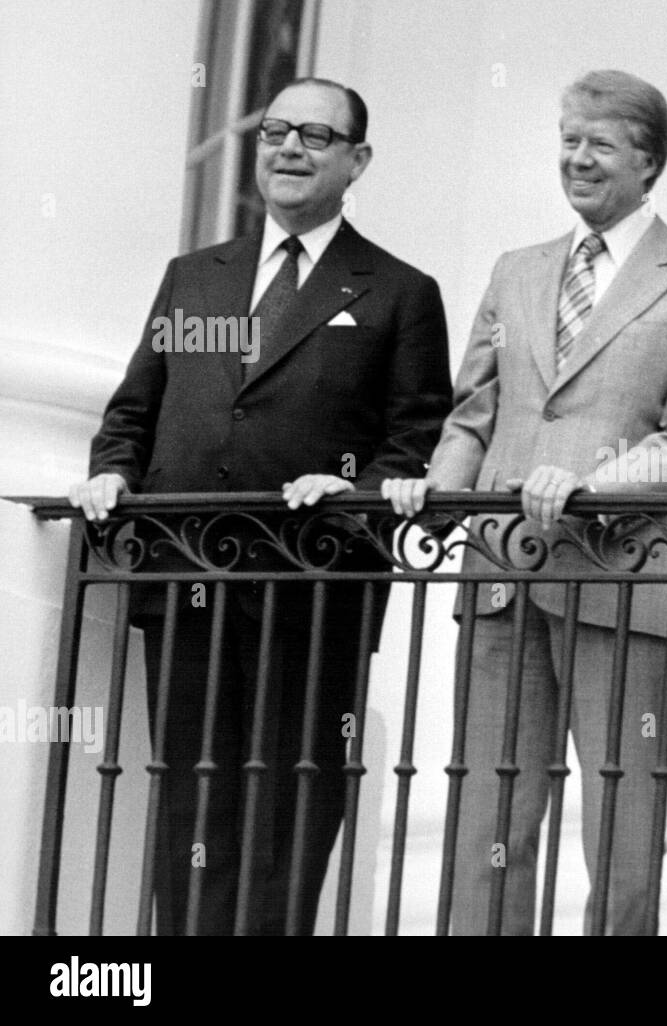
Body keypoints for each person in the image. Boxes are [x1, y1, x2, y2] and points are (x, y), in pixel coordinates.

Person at [69, 78, 454, 935]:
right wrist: (111, 475)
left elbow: (415, 443)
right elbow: (139, 409)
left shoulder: (394, 292)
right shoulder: (197, 280)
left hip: (312, 598)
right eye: (276, 130)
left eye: (316, 136)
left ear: (358, 160)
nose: (289, 148)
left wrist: (351, 493)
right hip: (186, 582)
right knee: (190, 811)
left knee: (289, 810)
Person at [382, 69, 667, 934]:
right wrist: (439, 483)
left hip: (623, 584)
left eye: (599, 144)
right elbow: (473, 412)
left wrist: (592, 489)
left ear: (648, 161)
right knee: (487, 827)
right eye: (568, 141)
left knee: (622, 840)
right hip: (503, 575)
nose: (576, 159)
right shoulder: (517, 272)